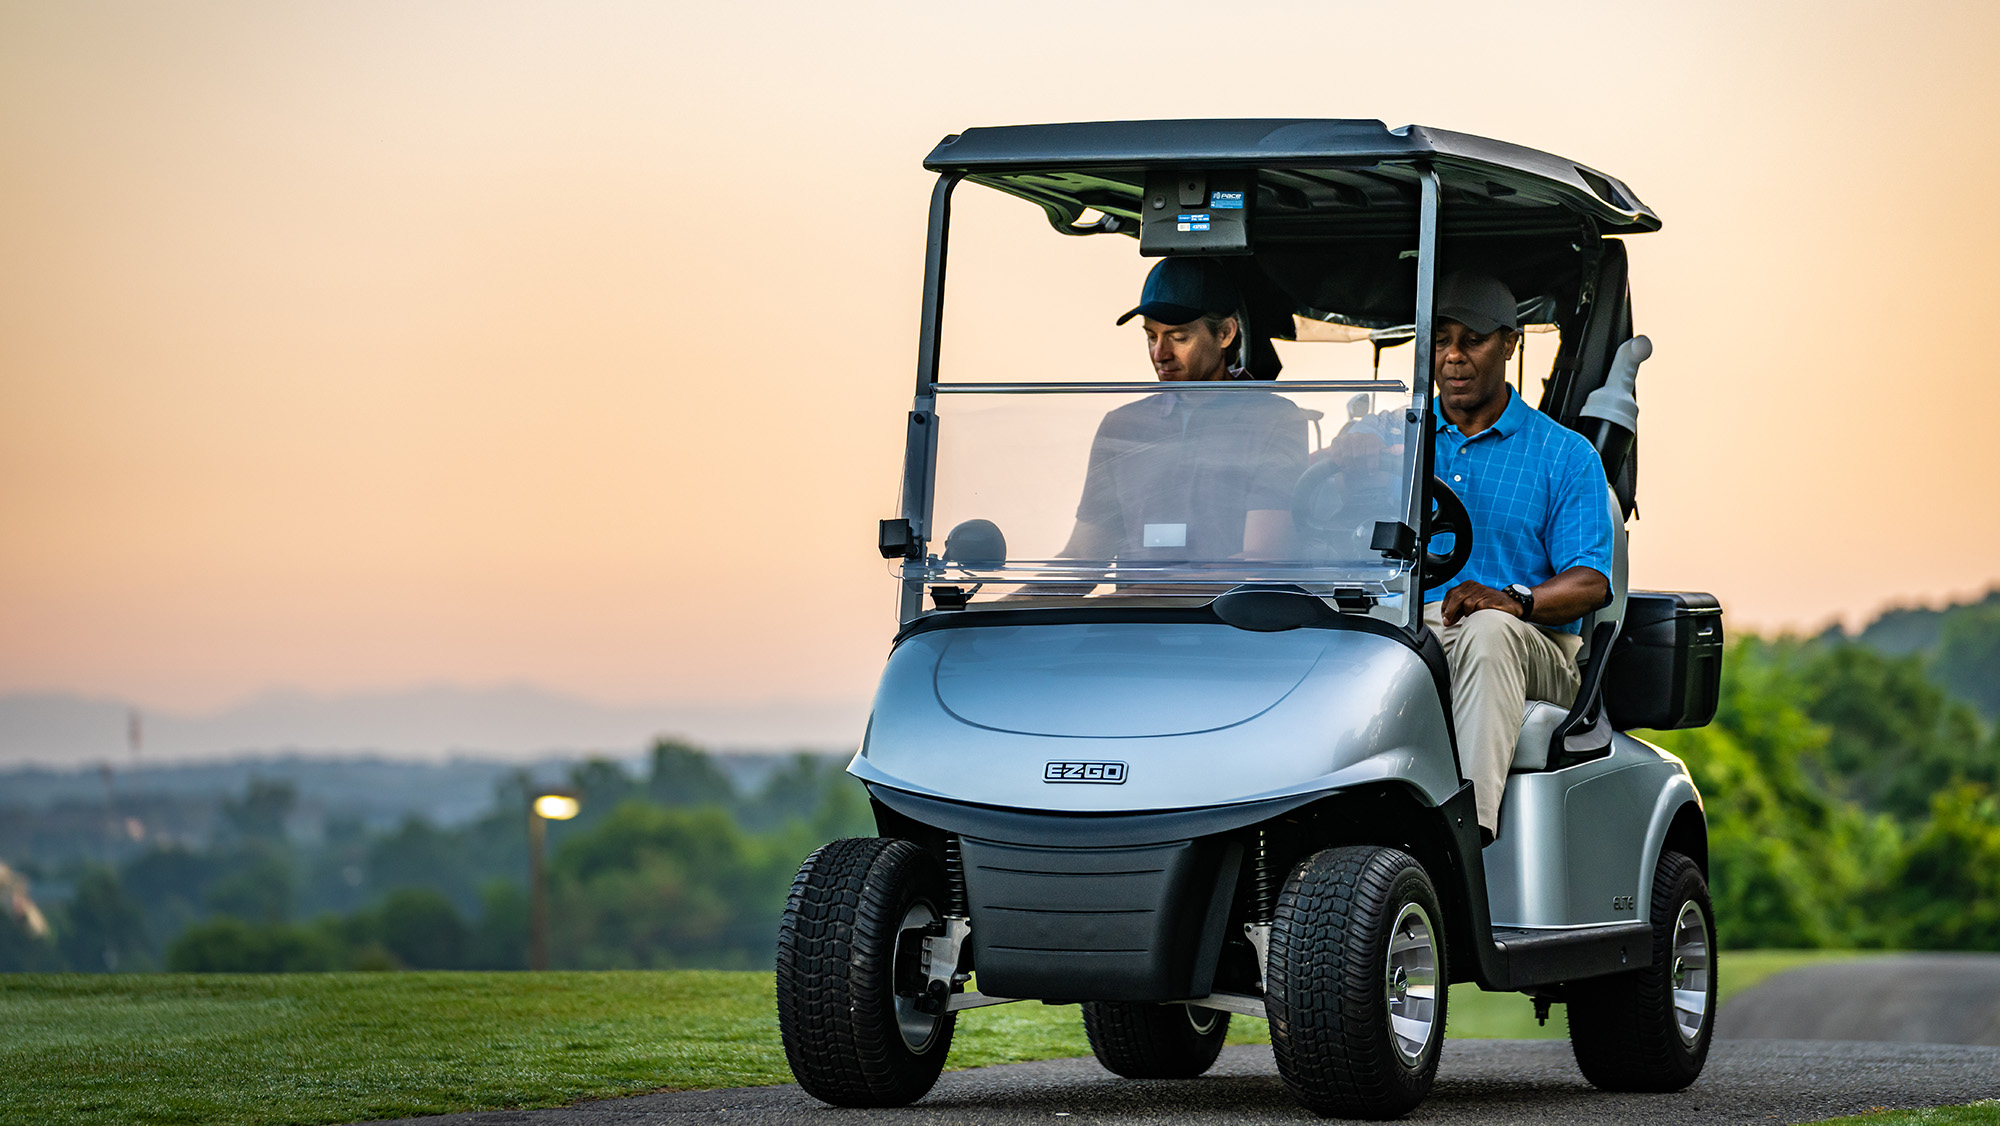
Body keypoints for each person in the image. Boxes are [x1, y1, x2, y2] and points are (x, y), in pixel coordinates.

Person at [1421, 271, 1615, 845]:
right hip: (1414, 632)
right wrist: (1341, 465)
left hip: (1534, 645)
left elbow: (1590, 582)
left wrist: (1515, 600)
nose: (1453, 356)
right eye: (1440, 340)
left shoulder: (1565, 454)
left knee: (1487, 631)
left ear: (1511, 343)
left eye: (1472, 339)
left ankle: (1464, 838)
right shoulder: (1395, 439)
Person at [1057, 258, 1308, 566]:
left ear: (1225, 333)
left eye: (1178, 338)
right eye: (1151, 336)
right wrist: (1000, 606)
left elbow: (1260, 564)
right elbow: (1083, 557)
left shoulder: (1275, 419)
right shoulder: (1121, 425)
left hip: (1224, 614)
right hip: (1130, 614)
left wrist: (1142, 598)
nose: (1160, 354)